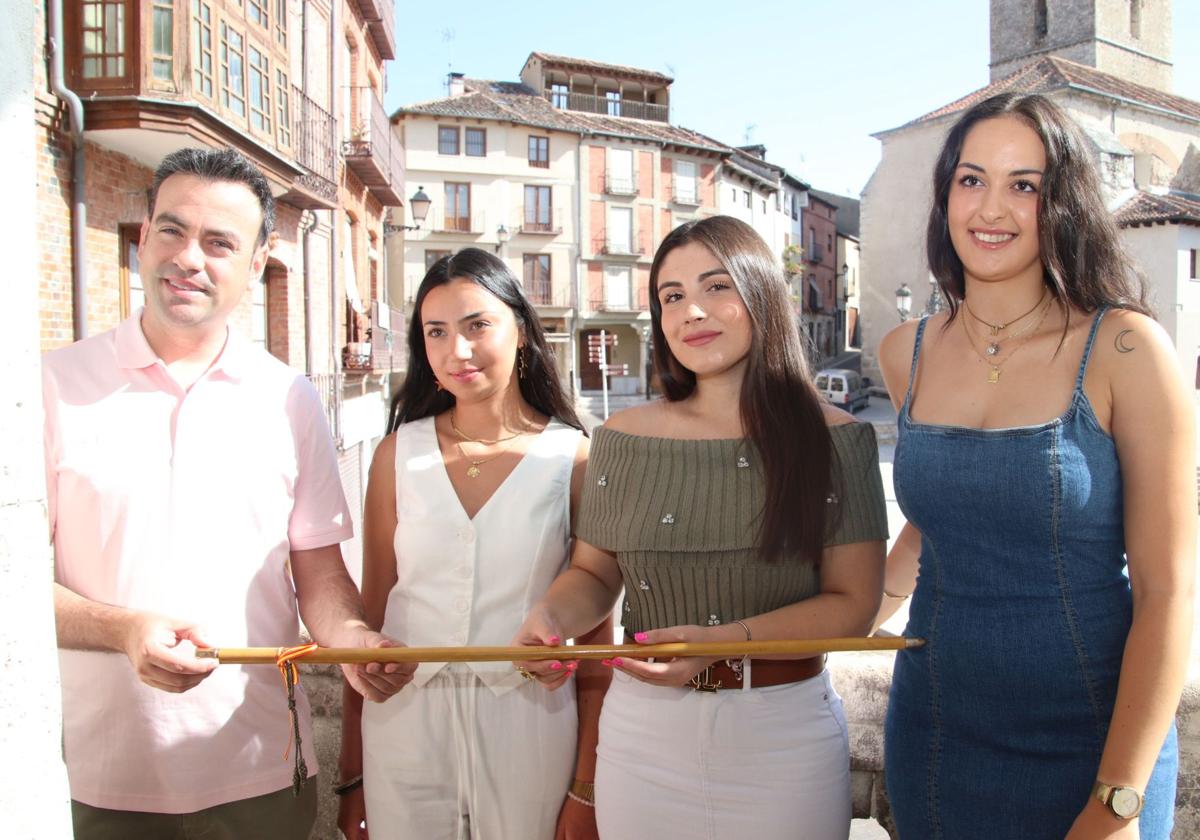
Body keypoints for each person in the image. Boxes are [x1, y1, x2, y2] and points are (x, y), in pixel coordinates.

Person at [44, 147, 413, 839]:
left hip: (259, 773)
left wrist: (355, 640)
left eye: (219, 243)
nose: (189, 258)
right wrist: (122, 631)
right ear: (145, 235)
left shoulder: (291, 399)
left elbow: (319, 575)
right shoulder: (51, 387)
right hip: (91, 780)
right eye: (172, 231)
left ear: (255, 262)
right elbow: (16, 583)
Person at [876, 92, 1195, 840]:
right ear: (945, 194)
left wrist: (1116, 803)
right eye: (971, 179)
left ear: (1064, 203)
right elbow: (931, 533)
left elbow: (1168, 591)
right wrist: (780, 639)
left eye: (1026, 184)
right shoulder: (906, 353)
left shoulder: (1126, 349)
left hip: (1096, 743)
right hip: (936, 736)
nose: (992, 207)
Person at [514, 216, 889, 840]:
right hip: (641, 734)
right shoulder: (620, 439)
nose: (692, 311)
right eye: (671, 296)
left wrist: (720, 641)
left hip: (784, 738)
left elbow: (854, 606)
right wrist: (551, 620)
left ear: (761, 292)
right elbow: (592, 574)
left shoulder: (839, 440)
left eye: (716, 287)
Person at [336, 248, 611, 840]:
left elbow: (596, 639)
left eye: (476, 325)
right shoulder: (394, 454)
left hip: (531, 726)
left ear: (521, 332)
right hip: (404, 726)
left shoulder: (574, 456)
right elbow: (372, 613)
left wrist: (586, 785)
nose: (456, 350)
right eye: (436, 332)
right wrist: (351, 774)